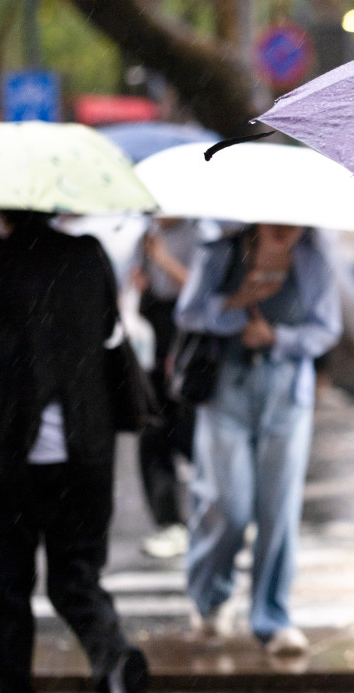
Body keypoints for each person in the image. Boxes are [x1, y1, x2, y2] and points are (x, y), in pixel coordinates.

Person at [0, 209, 150, 693]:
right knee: (76, 576)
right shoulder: (88, 257)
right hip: (85, 449)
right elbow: (108, 331)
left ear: (1, 208)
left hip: (11, 454)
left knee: (6, 588)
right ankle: (115, 661)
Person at [176, 223, 342, 656]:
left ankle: (272, 619)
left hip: (286, 395)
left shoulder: (313, 259)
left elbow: (326, 329)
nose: (287, 228)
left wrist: (277, 338)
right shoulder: (220, 253)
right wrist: (236, 304)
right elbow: (188, 312)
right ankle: (210, 599)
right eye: (277, 219)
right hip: (225, 391)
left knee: (277, 512)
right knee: (227, 507)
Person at [132, 217, 206, 559]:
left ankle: (219, 511)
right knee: (152, 433)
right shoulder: (146, 235)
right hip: (155, 341)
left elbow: (201, 291)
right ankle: (169, 522)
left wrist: (163, 259)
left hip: (190, 341)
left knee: (192, 433)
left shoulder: (201, 235)